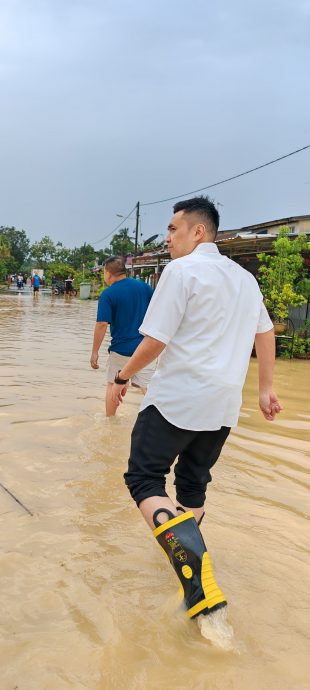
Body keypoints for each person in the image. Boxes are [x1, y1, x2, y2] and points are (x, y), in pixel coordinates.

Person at [111, 196, 281, 619]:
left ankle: (192, 577)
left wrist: (121, 377)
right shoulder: (244, 279)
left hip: (178, 397)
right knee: (192, 485)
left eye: (172, 229)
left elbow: (155, 342)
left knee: (143, 479)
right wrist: (265, 390)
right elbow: (266, 334)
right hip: (223, 405)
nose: (167, 238)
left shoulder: (181, 271)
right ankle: (188, 557)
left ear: (198, 231)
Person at [90, 256, 155, 416]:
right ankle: (161, 424)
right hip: (146, 349)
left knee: (113, 385)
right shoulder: (145, 287)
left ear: (108, 273)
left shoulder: (108, 294)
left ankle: (110, 422)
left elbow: (102, 324)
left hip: (121, 350)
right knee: (150, 389)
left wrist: (94, 352)